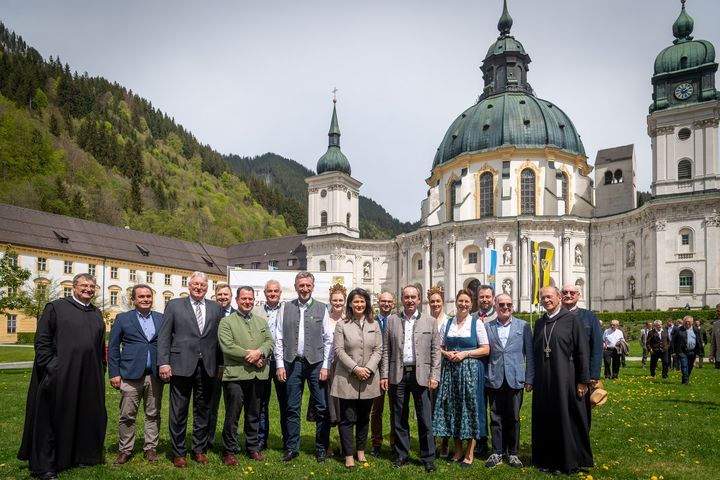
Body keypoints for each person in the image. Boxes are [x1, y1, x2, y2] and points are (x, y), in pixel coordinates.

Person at [18, 273, 107, 480]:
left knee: (85, 415)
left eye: (92, 286)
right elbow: (42, 341)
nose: (89, 289)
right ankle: (46, 465)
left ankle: (81, 456)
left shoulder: (96, 313)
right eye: (84, 285)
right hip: (60, 373)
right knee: (52, 418)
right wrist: (51, 365)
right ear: (74, 287)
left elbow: (99, 344)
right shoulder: (56, 307)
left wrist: (100, 367)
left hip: (89, 375)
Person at [157, 271, 224, 468]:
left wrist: (220, 364)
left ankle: (199, 450)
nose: (199, 287)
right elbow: (164, 335)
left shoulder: (215, 308)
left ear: (207, 288)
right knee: (178, 411)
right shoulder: (175, 305)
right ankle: (179, 452)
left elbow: (219, 340)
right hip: (180, 365)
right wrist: (164, 362)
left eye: (203, 285)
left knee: (203, 410)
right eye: (195, 284)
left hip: (208, 366)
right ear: (189, 286)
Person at [381, 285, 441, 473]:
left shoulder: (430, 321)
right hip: (397, 374)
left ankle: (428, 457)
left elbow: (435, 351)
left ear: (419, 299)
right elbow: (386, 350)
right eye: (406, 297)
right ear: (402, 299)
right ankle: (401, 454)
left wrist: (434, 375)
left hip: (421, 375)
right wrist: (384, 374)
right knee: (399, 416)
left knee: (425, 418)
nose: (409, 300)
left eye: (413, 297)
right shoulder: (392, 321)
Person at [531, 286, 592, 474]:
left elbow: (582, 351)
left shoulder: (572, 320)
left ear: (558, 298)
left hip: (566, 378)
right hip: (544, 380)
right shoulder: (540, 323)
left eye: (549, 297)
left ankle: (567, 461)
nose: (546, 300)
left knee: (566, 418)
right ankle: (546, 459)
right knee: (546, 418)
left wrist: (583, 381)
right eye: (543, 297)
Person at [274, 272, 333, 463]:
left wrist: (325, 366)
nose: (305, 289)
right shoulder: (285, 308)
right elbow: (279, 337)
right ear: (296, 286)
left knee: (322, 407)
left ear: (312, 287)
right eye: (301, 285)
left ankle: (321, 448)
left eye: (308, 285)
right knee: (292, 407)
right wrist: (280, 364)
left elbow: (328, 339)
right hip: (293, 363)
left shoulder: (323, 308)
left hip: (316, 364)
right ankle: (292, 447)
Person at [432, 289, 490, 468]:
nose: (463, 304)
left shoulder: (477, 324)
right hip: (450, 370)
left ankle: (469, 452)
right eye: (460, 301)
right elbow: (439, 347)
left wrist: (466, 353)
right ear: (456, 302)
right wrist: (447, 353)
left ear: (471, 304)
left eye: (467, 301)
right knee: (453, 408)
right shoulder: (447, 324)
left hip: (470, 370)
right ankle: (457, 451)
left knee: (470, 408)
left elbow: (486, 349)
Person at [108, 284, 164, 465]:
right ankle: (125, 449)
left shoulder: (161, 318)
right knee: (127, 415)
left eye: (148, 296)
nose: (146, 299)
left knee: (153, 414)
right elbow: (114, 347)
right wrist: (114, 373)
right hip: (130, 375)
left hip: (154, 375)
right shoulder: (123, 319)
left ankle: (150, 448)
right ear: (133, 299)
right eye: (141, 296)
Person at [219, 286, 275, 465]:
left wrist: (260, 352)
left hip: (257, 376)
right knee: (232, 415)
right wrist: (252, 357)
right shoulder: (226, 322)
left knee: (254, 415)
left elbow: (270, 342)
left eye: (250, 299)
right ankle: (228, 450)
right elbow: (228, 346)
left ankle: (253, 448)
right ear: (237, 300)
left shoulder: (261, 321)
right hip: (235, 377)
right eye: (244, 298)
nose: (247, 302)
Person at [331, 288, 383, 468]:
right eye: (356, 301)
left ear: (367, 303)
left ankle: (360, 451)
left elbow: (378, 349)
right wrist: (355, 368)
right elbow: (339, 350)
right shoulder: (342, 324)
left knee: (363, 417)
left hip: (368, 378)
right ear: (350, 304)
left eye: (362, 301)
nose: (359, 305)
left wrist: (368, 369)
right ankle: (348, 454)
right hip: (347, 378)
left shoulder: (374, 324)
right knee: (347, 418)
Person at [483, 293, 533, 469]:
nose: (506, 307)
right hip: (494, 378)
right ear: (495, 306)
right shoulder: (486, 327)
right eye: (502, 304)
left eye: (509, 304)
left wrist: (529, 378)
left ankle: (513, 453)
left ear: (513, 306)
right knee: (495, 417)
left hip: (515, 378)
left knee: (513, 418)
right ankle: (497, 452)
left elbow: (530, 355)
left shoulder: (524, 326)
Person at [254, 279, 287, 451]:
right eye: (269, 291)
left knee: (285, 403)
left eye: (276, 291)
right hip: (263, 362)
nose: (273, 294)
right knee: (261, 403)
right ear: (265, 293)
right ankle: (261, 440)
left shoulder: (287, 310)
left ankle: (288, 440)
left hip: (282, 363)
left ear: (280, 293)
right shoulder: (256, 311)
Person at [207, 282, 235, 449]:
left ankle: (230, 441)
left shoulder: (238, 315)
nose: (223, 297)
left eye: (226, 294)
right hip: (212, 368)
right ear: (215, 296)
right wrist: (217, 365)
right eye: (220, 295)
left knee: (232, 407)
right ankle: (208, 440)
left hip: (233, 368)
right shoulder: (210, 314)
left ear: (231, 297)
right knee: (211, 407)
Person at [370, 291, 396, 457]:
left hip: (394, 370)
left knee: (396, 409)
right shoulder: (371, 321)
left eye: (389, 302)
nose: (386, 304)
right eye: (383, 301)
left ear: (393, 304)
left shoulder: (398, 321)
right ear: (378, 302)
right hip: (375, 371)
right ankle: (376, 443)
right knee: (376, 410)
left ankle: (395, 442)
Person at [561, 284, 603, 386]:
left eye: (572, 293)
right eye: (565, 292)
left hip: (582, 369)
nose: (568, 295)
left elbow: (597, 346)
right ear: (560, 296)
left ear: (578, 296)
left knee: (579, 400)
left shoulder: (590, 316)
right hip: (559, 368)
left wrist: (594, 373)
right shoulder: (555, 316)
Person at [427, 285, 449, 457]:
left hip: (446, 368)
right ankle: (431, 441)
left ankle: (445, 443)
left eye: (438, 301)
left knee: (445, 405)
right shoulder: (425, 321)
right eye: (432, 301)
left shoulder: (449, 321)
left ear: (443, 302)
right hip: (428, 368)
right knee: (430, 406)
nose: (435, 304)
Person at [672, 315, 703, 385]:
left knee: (690, 366)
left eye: (689, 322)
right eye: (685, 322)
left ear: (692, 322)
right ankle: (686, 381)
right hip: (682, 351)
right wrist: (673, 351)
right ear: (683, 322)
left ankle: (685, 378)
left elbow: (699, 340)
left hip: (692, 351)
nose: (687, 323)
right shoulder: (678, 330)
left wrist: (700, 351)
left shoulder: (696, 330)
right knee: (684, 365)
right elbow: (673, 341)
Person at [709, 304, 720, 369]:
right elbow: (713, 342)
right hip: (719, 357)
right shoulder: (715, 324)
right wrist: (711, 355)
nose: (718, 312)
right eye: (717, 311)